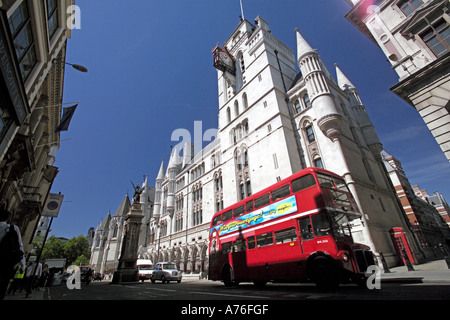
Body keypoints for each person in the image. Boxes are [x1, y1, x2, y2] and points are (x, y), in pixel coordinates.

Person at [0, 208, 24, 300]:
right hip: (5, 262)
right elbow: (20, 247)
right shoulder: (13, 228)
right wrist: (22, 265)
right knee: (2, 285)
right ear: (7, 218)